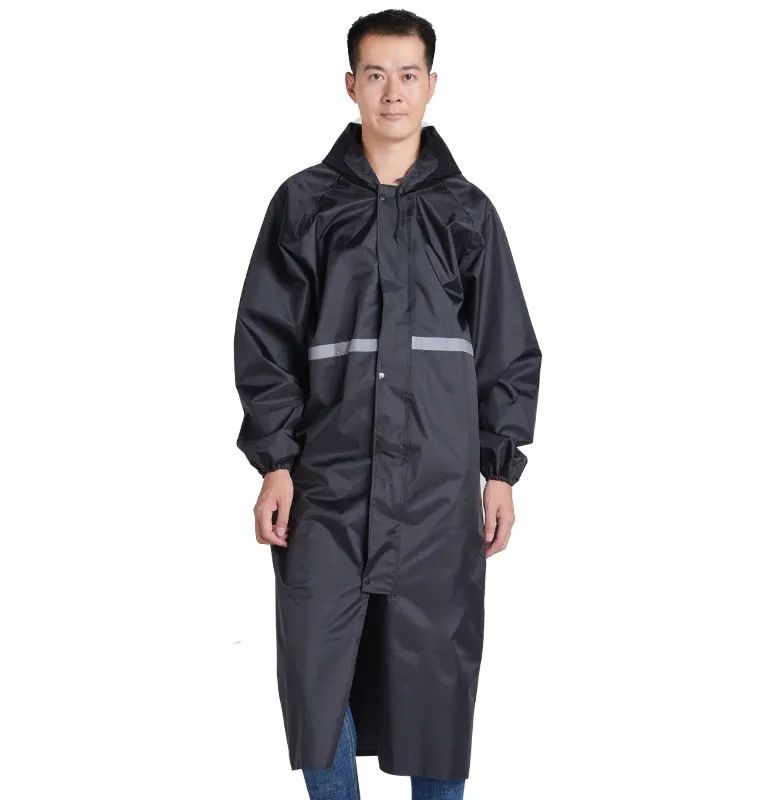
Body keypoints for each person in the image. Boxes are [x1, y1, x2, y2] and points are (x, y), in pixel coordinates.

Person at [233, 9, 541, 799]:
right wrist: (275, 462)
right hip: (325, 487)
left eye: (408, 75)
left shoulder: (467, 212)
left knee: (437, 684)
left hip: (435, 493)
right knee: (315, 675)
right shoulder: (304, 204)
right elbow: (265, 342)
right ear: (351, 85)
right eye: (376, 75)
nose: (392, 92)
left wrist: (499, 472)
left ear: (432, 85)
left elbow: (506, 347)